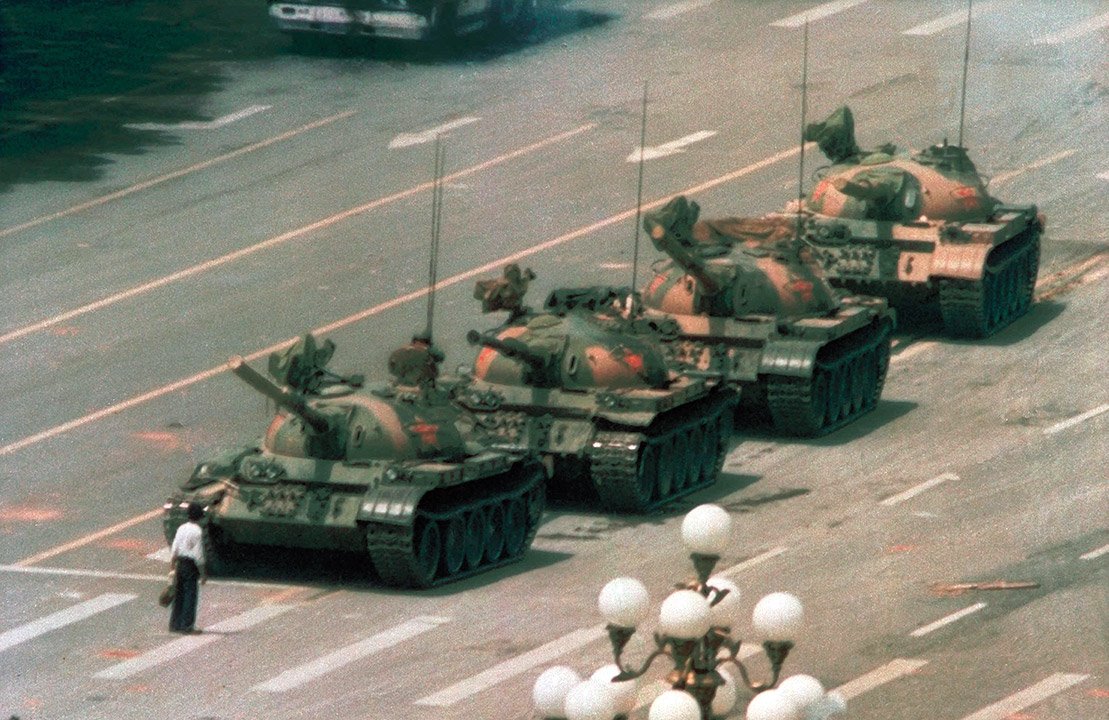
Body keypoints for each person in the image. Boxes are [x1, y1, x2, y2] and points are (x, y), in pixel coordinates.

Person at [169, 503, 207, 633]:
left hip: (180, 563)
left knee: (179, 594)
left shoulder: (181, 528)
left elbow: (175, 548)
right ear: (200, 517)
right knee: (190, 595)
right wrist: (202, 574)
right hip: (190, 565)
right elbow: (199, 555)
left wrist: (172, 566)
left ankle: (175, 624)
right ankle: (187, 626)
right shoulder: (197, 531)